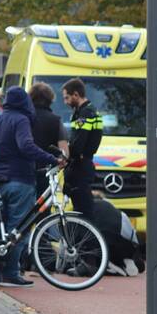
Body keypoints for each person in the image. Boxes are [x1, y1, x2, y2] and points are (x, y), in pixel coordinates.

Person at [0, 86, 62, 288]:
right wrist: (52, 159)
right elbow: (26, 146)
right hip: (20, 180)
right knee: (18, 229)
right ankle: (12, 274)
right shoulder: (21, 119)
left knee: (0, 232)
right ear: (25, 102)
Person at [62, 78, 102, 219]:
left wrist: (64, 155)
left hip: (81, 166)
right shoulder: (90, 110)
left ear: (76, 95)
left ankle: (86, 240)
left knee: (82, 211)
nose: (65, 102)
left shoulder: (84, 113)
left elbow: (78, 144)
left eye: (67, 97)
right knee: (83, 210)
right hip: (85, 164)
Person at [28, 82, 69, 195]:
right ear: (50, 99)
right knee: (43, 209)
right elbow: (64, 151)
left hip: (23, 172)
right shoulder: (56, 120)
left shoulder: (23, 118)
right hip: (46, 172)